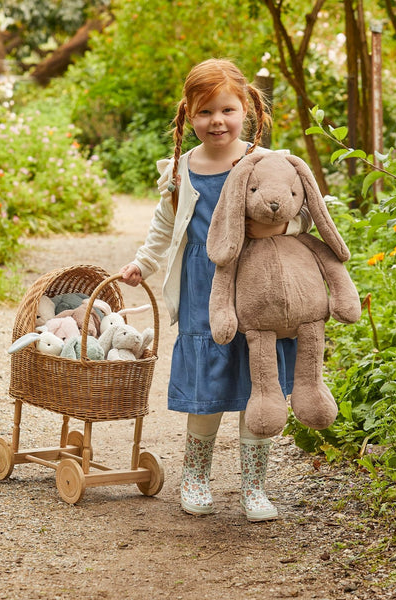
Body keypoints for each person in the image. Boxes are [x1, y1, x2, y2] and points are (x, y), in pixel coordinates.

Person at [120, 58, 311, 521]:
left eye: (226, 109)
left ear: (246, 109)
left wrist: (277, 229)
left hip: (259, 293)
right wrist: (143, 264)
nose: (217, 121)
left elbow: (304, 215)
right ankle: (196, 477)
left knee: (258, 386)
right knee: (206, 390)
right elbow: (165, 226)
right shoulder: (181, 170)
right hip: (203, 292)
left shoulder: (266, 164)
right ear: (188, 114)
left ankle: (254, 488)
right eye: (204, 112)